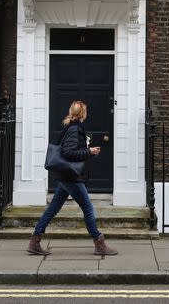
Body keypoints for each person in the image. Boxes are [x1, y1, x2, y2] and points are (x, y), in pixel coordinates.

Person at [27, 100, 118, 256]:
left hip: (65, 177)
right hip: (71, 177)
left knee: (53, 208)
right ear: (83, 113)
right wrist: (89, 152)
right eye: (86, 111)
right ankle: (99, 243)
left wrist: (87, 150)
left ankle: (35, 241)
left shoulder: (70, 127)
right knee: (88, 208)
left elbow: (70, 150)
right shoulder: (74, 129)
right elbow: (69, 152)